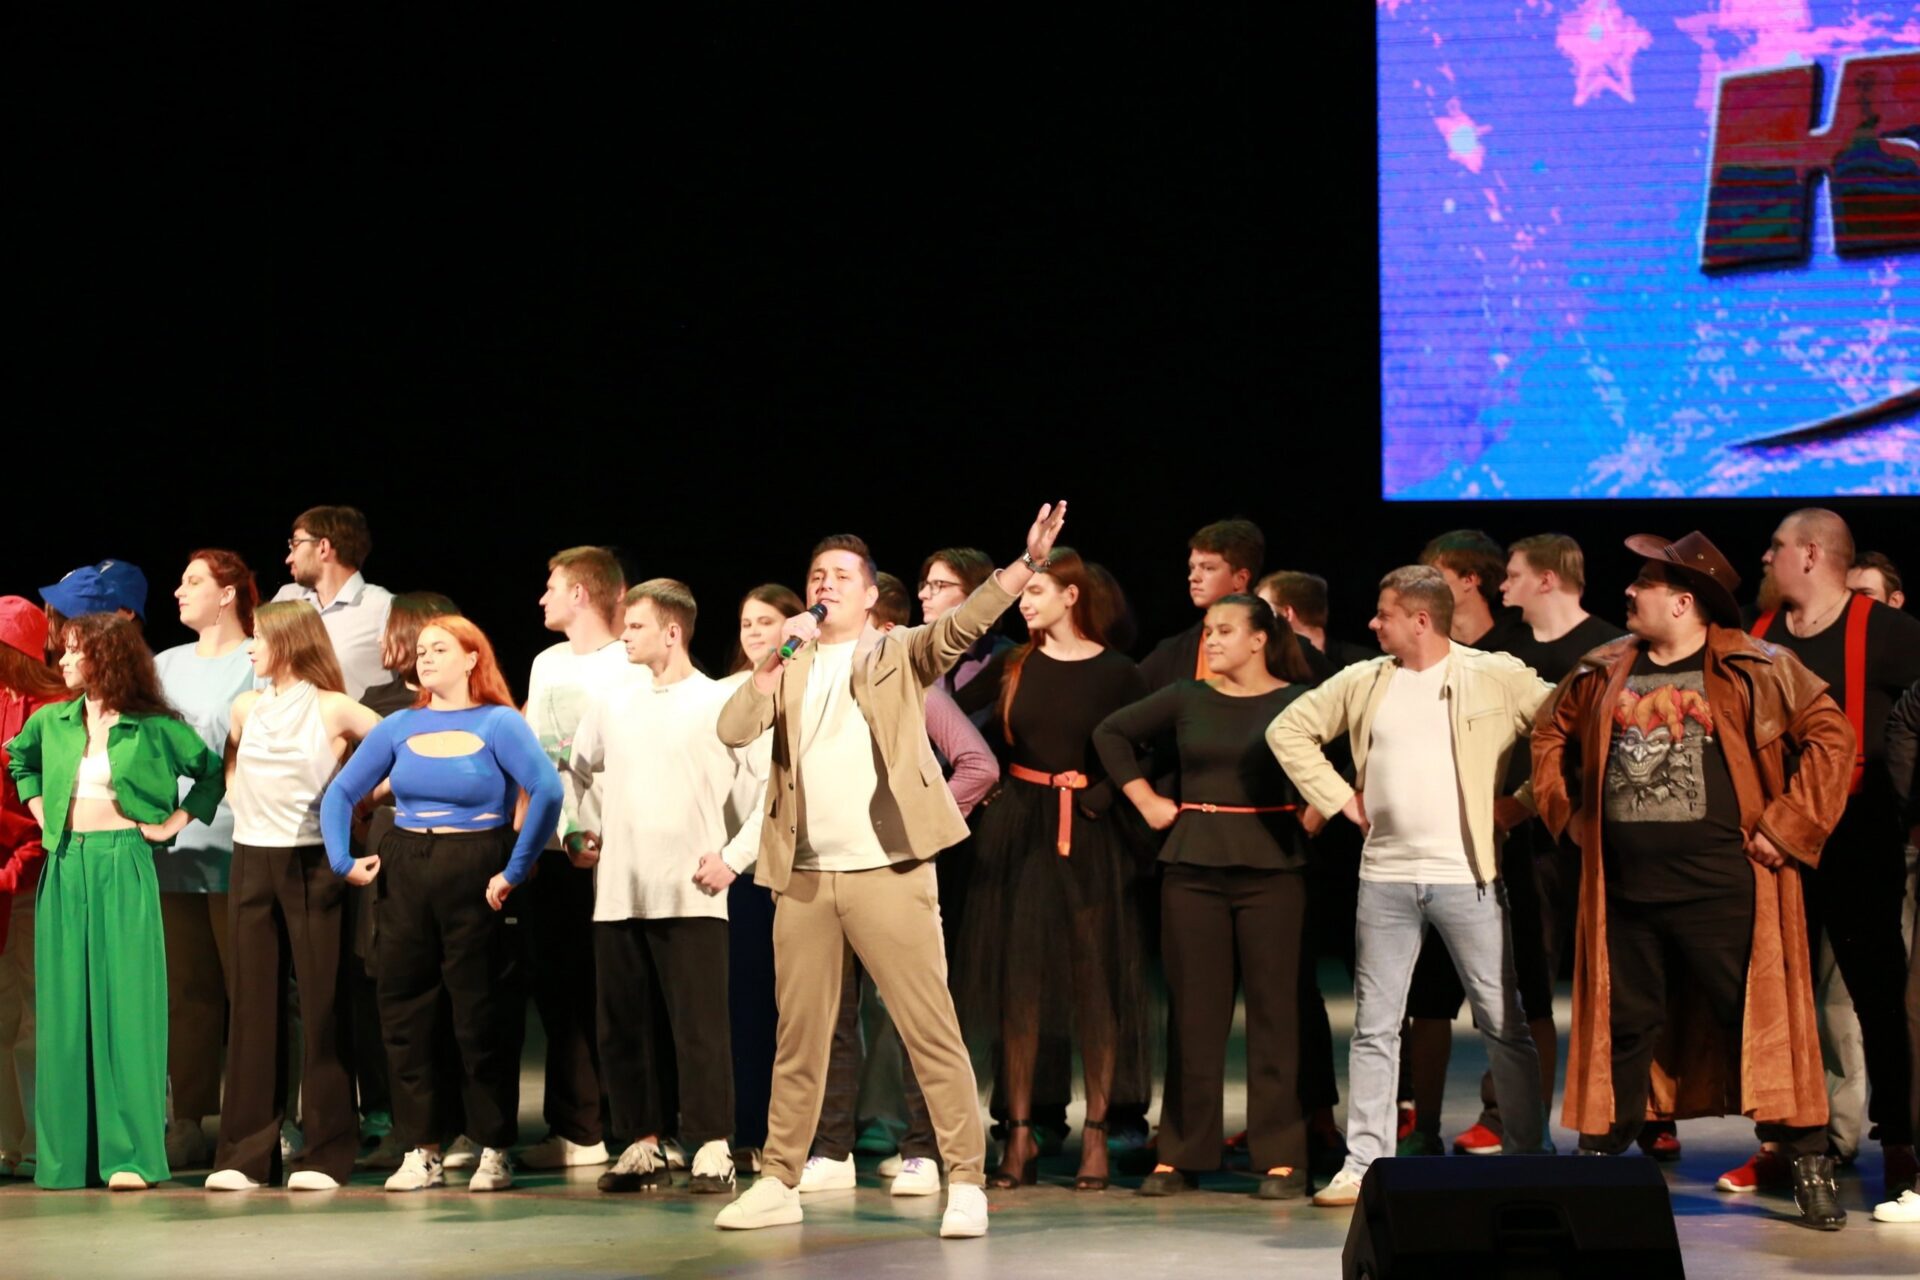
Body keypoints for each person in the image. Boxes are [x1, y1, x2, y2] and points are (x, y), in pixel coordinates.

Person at [712, 504, 1067, 1240]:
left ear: (872, 594)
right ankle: (778, 1180)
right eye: (818, 575)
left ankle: (964, 1180)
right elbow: (733, 728)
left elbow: (963, 625)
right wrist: (772, 659)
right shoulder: (791, 661)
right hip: (804, 875)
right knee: (799, 1038)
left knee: (928, 1028)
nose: (827, 584)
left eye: (843, 576)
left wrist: (1026, 564)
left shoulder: (897, 652)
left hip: (888, 870)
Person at [1533, 531, 1853, 1230]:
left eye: (1643, 584)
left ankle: (1807, 1162)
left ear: (1683, 602)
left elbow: (1833, 735)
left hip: (1724, 888)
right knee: (1625, 1026)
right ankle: (1598, 1161)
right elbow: (1548, 733)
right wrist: (1567, 813)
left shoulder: (1756, 665)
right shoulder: (1603, 668)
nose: (1627, 591)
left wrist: (1789, 826)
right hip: (1625, 893)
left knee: (1762, 1023)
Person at [1268, 565, 1551, 1208]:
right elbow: (1288, 729)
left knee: (1502, 1020)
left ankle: (1530, 1153)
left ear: (1421, 620)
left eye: (1384, 613)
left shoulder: (1494, 675)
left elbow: (1568, 728)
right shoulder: (1367, 679)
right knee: (1375, 1026)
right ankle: (1364, 1163)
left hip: (1467, 877)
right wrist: (1338, 798)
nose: (1373, 623)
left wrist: (1525, 802)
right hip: (1385, 880)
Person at [320, 614, 563, 1195]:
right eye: (422, 650)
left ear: (472, 658)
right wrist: (342, 860)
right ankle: (421, 1148)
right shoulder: (400, 725)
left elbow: (547, 790)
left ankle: (492, 1146)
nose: (425, 658)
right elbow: (342, 791)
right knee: (405, 1011)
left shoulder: (499, 722)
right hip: (407, 867)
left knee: (481, 1012)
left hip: (475, 866)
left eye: (439, 649)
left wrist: (515, 868)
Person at [1725, 510, 1920, 1202]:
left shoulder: (1891, 633)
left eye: (1777, 546)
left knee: (1879, 998)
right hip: (1775, 848)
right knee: (1779, 1001)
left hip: (1862, 839)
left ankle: (1900, 1143)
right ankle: (1785, 1142)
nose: (1766, 556)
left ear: (1810, 555)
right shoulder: (1758, 636)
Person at [1094, 594, 1316, 1200]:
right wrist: (1144, 799)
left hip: (1273, 868)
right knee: (1195, 1014)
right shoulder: (1188, 697)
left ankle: (1282, 1154)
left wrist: (1321, 807)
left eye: (1224, 630)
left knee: (1276, 1014)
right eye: (1208, 631)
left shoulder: (1297, 701)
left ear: (1259, 639)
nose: (1211, 640)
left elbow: (1353, 748)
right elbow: (1110, 732)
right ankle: (1183, 1152)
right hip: (1193, 867)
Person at [955, 546, 1152, 1195]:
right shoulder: (1015, 663)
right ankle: (1017, 1134)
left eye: (1036, 591)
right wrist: (985, 781)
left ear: (1072, 595)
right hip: (1021, 829)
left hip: (1091, 831)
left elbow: (1151, 747)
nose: (1025, 603)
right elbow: (945, 712)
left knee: (1096, 987)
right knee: (1020, 988)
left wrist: (1103, 795)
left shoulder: (1119, 672)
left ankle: (1096, 1133)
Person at [6, 613, 225, 1189]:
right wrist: (42, 813)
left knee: (127, 1007)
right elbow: (20, 760)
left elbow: (211, 774)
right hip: (64, 864)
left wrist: (171, 823)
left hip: (124, 863)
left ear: (105, 657)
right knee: (63, 1013)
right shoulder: (53, 721)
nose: (62, 662)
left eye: (73, 651)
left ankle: (129, 1155)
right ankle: (66, 1159)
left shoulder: (153, 727)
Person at [800, 572, 996, 1198]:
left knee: (914, 1015)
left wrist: (921, 824)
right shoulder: (812, 683)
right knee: (831, 1013)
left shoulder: (912, 683)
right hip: (826, 867)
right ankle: (831, 1147)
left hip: (892, 870)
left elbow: (978, 764)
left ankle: (924, 1150)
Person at [567, 580, 762, 1197]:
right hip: (619, 890)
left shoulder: (719, 701)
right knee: (623, 1026)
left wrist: (734, 859)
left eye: (636, 627)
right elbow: (575, 771)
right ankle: (641, 1144)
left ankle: (711, 1146)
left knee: (699, 1027)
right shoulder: (613, 702)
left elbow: (772, 790)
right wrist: (577, 830)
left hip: (692, 891)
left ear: (672, 632)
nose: (624, 636)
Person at [206, 601, 383, 1192]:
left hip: (314, 863)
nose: (250, 647)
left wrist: (359, 800)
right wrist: (240, 801)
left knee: (323, 1001)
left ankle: (326, 1152)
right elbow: (232, 759)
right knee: (252, 1004)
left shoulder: (334, 706)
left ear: (287, 641)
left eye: (258, 637)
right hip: (252, 860)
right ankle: (245, 1155)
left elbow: (395, 744)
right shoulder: (246, 706)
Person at [511, 547, 643, 1173]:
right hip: (553, 845)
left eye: (552, 586)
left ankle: (635, 1124)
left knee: (615, 988)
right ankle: (576, 1129)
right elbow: (534, 755)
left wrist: (606, 831)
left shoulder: (628, 661)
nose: (543, 598)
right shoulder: (546, 662)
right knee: (558, 989)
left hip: (611, 846)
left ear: (582, 594)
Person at [152, 549, 259, 1169]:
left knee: (253, 989)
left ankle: (260, 1120)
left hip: (238, 840)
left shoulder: (257, 659)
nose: (179, 590)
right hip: (173, 850)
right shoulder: (165, 664)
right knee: (186, 993)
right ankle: (189, 1121)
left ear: (228, 593)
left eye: (193, 581)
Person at [350, 591, 460, 1169]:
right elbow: (352, 784)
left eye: (390, 629)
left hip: (449, 851)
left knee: (451, 988)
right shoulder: (375, 702)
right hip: (385, 850)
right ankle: (398, 1122)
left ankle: (458, 1124)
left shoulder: (463, 704)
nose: (380, 641)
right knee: (384, 985)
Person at [721, 584, 802, 1174]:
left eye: (766, 621)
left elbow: (776, 793)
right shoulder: (726, 693)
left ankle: (795, 1136)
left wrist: (735, 854)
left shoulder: (803, 690)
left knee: (787, 1012)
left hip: (778, 870)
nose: (752, 631)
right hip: (729, 875)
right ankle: (745, 1129)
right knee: (741, 1009)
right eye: (746, 621)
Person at [0, 598, 72, 1181]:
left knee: (34, 1010)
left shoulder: (54, 708)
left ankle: (38, 1139)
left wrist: (22, 863)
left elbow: (52, 802)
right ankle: (6, 1139)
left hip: (32, 876)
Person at [272, 505, 394, 700]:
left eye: (295, 544)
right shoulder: (286, 597)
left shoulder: (384, 608)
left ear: (323, 548)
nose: (289, 559)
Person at [1257, 571, 1375, 670]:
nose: (1256, 617)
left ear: (1286, 613)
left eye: (1263, 609)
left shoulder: (1366, 666)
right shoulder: (1262, 665)